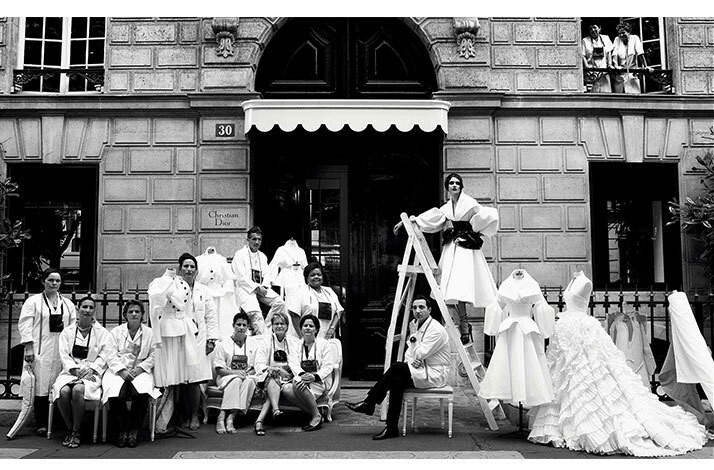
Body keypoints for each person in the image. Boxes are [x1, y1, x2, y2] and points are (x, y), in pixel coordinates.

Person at [528, 271, 709, 456]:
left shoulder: (585, 282)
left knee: (587, 375)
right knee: (563, 376)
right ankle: (562, 424)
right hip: (566, 330)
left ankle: (589, 423)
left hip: (583, 330)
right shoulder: (574, 280)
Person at [394, 173, 498, 344]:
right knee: (446, 289)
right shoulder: (447, 208)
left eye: (457, 183)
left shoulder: (470, 203)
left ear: (461, 186)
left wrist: (472, 233)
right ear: (447, 187)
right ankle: (462, 324)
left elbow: (486, 217)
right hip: (452, 249)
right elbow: (430, 219)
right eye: (451, 183)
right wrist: (409, 221)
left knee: (462, 288)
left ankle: (464, 325)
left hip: (465, 249)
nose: (454, 186)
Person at [346, 294, 451, 440]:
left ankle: (369, 403)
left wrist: (413, 338)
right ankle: (391, 427)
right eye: (414, 308)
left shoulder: (435, 329)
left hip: (435, 373)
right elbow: (410, 354)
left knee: (396, 368)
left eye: (421, 307)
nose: (417, 311)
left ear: (430, 310)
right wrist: (416, 359)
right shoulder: (418, 325)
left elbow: (420, 352)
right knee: (397, 381)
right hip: (421, 369)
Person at [148, 253, 218, 433]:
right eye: (185, 266)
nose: (189, 269)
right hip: (180, 335)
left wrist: (211, 339)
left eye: (192, 266)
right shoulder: (175, 287)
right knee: (181, 378)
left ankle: (194, 415)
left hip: (199, 338)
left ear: (196, 270)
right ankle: (180, 416)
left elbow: (211, 316)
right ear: (180, 269)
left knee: (194, 379)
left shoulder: (204, 290)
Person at [18, 268, 77, 436]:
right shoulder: (34, 302)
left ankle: (58, 421)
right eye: (51, 280)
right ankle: (42, 423)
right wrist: (29, 347)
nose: (54, 283)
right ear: (44, 281)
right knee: (41, 387)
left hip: (61, 351)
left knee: (58, 386)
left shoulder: (67, 304)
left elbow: (73, 327)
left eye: (57, 281)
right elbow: (25, 324)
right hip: (40, 350)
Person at [102, 300, 160, 448]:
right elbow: (110, 354)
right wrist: (122, 371)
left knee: (140, 393)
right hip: (118, 371)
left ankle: (134, 431)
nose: (134, 314)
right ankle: (122, 431)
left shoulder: (150, 333)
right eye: (130, 312)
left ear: (142, 315)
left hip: (140, 370)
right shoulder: (115, 332)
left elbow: (154, 355)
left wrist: (140, 369)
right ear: (125, 315)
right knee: (115, 393)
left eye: (137, 312)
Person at [52, 296, 108, 448]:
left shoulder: (102, 332)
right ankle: (71, 429)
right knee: (63, 392)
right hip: (70, 371)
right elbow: (63, 354)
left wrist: (91, 370)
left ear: (94, 311)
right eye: (84, 307)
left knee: (78, 390)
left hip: (91, 373)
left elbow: (104, 356)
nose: (87, 310)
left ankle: (76, 431)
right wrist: (75, 371)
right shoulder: (67, 331)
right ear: (78, 308)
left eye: (91, 308)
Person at [283, 314, 335, 432]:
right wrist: (303, 375)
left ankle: (315, 416)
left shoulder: (324, 344)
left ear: (316, 329)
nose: (307, 328)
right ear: (301, 329)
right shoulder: (296, 346)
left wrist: (314, 377)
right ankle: (316, 414)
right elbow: (293, 363)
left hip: (318, 382)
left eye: (311, 326)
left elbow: (328, 366)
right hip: (302, 381)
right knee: (286, 389)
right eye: (305, 326)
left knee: (296, 381)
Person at [232, 226, 286, 335]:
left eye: (259, 239)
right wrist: (256, 288)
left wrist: (264, 287)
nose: (257, 242)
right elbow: (241, 277)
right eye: (254, 239)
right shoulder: (240, 255)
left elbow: (267, 274)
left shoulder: (262, 256)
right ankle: (263, 334)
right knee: (256, 315)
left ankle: (267, 326)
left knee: (280, 303)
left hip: (261, 288)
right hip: (246, 289)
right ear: (248, 240)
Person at [212, 311, 260, 434]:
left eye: (244, 325)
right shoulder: (222, 344)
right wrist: (236, 373)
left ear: (248, 327)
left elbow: (255, 366)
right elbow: (219, 370)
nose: (241, 328)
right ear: (233, 325)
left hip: (246, 376)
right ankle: (222, 416)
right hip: (225, 377)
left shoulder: (253, 343)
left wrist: (246, 373)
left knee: (249, 381)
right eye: (238, 324)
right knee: (237, 379)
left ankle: (230, 418)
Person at [253, 311, 299, 436]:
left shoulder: (294, 342)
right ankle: (275, 410)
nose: (279, 326)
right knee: (273, 378)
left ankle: (260, 421)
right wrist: (277, 370)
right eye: (276, 324)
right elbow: (258, 364)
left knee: (273, 387)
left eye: (282, 324)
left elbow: (297, 362)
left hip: (288, 377)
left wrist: (288, 370)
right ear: (272, 326)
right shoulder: (265, 341)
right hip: (270, 376)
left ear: (287, 326)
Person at [287, 262, 344, 339]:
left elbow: (339, 311)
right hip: (308, 336)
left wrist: (332, 328)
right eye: (312, 275)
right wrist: (302, 337)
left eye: (319, 275)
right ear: (307, 278)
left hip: (327, 336)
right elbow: (293, 314)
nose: (316, 277)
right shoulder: (301, 292)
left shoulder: (329, 291)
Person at [267, 238, 308, 337]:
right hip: (288, 278)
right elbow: (274, 264)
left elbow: (305, 266)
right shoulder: (281, 250)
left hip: (299, 277)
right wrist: (270, 281)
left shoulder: (301, 251)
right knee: (289, 302)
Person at [611, 21, 652, 93]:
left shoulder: (635, 38)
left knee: (634, 96)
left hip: (632, 73)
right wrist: (616, 66)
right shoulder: (617, 40)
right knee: (619, 97)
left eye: (623, 32)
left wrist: (646, 66)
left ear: (628, 32)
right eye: (619, 33)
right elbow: (614, 54)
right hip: (620, 73)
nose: (621, 35)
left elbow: (640, 53)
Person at [581, 23, 613, 93]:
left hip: (604, 72)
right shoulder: (585, 40)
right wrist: (587, 67)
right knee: (593, 96)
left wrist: (609, 65)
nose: (593, 30)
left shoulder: (606, 38)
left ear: (599, 28)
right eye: (590, 29)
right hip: (591, 74)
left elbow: (608, 53)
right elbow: (582, 55)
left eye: (594, 27)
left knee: (606, 95)